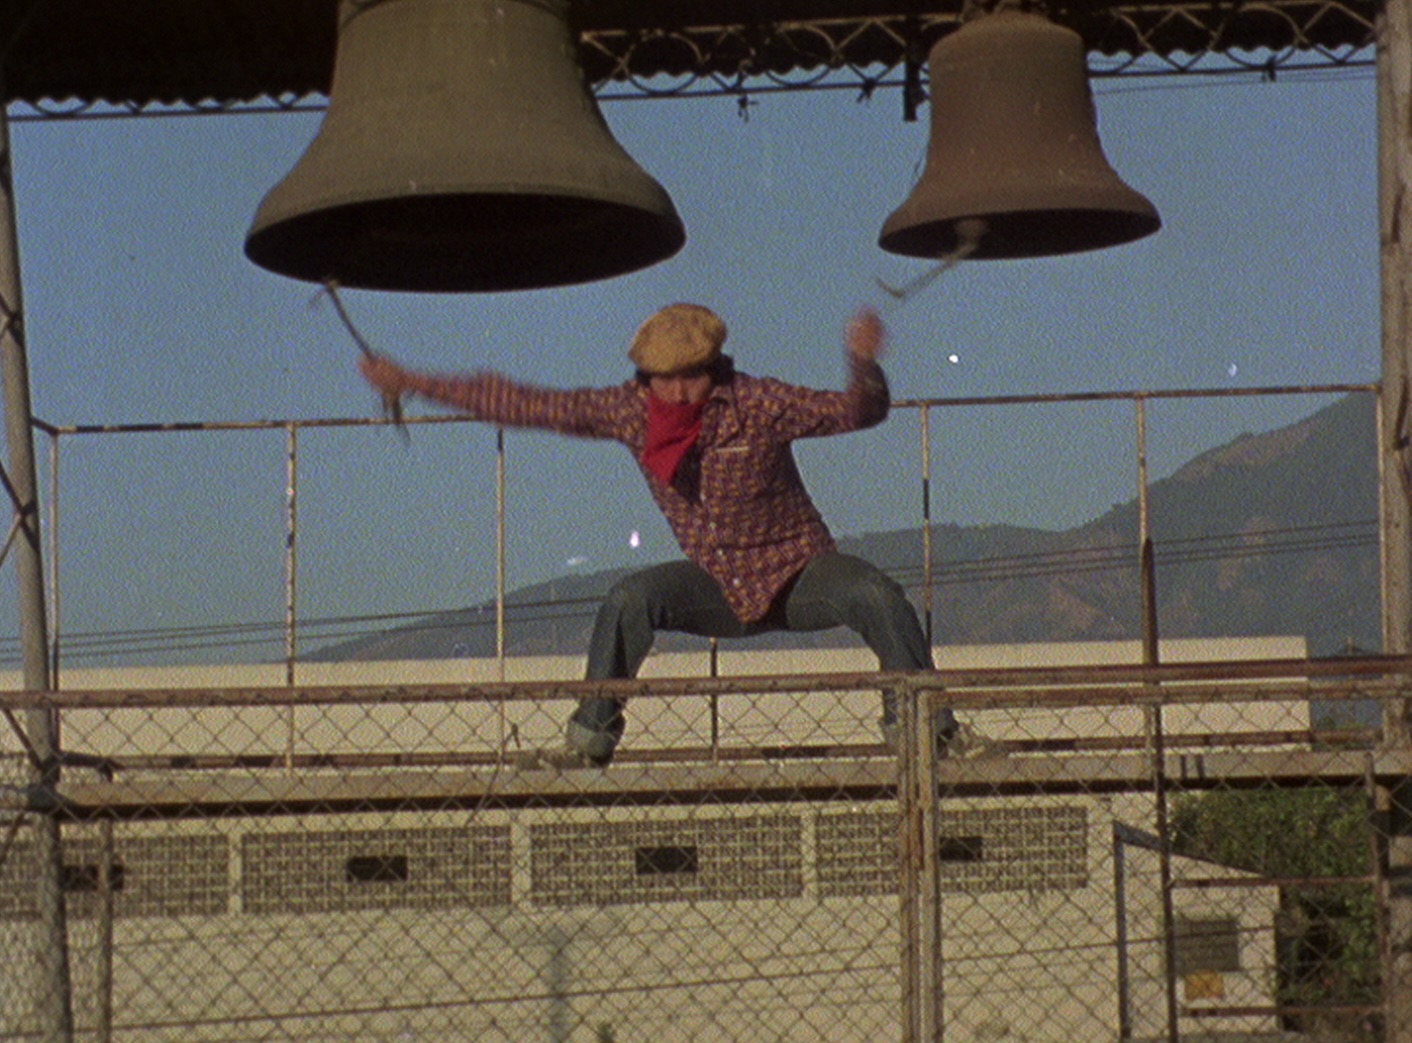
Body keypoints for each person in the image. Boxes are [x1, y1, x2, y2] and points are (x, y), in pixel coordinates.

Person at [359, 303, 956, 765]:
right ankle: (589, 741)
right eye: (660, 381)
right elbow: (528, 403)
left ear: (713, 370)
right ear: (643, 377)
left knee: (874, 593)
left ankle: (926, 732)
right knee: (629, 598)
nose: (674, 394)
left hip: (798, 573)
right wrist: (412, 380)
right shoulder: (631, 412)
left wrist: (863, 363)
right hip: (717, 584)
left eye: (687, 380)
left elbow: (857, 412)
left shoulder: (758, 402)